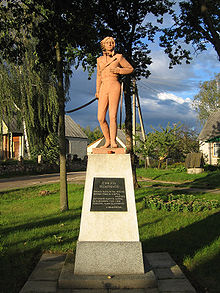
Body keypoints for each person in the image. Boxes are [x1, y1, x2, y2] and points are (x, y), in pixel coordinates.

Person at [95, 37, 134, 148]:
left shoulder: (118, 57)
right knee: (100, 117)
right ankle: (107, 140)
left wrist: (119, 70)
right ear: (103, 45)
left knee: (112, 116)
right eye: (108, 42)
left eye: (112, 42)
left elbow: (130, 68)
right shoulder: (99, 60)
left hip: (114, 85)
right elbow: (98, 76)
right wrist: (97, 90)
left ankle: (113, 141)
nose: (110, 44)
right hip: (103, 87)